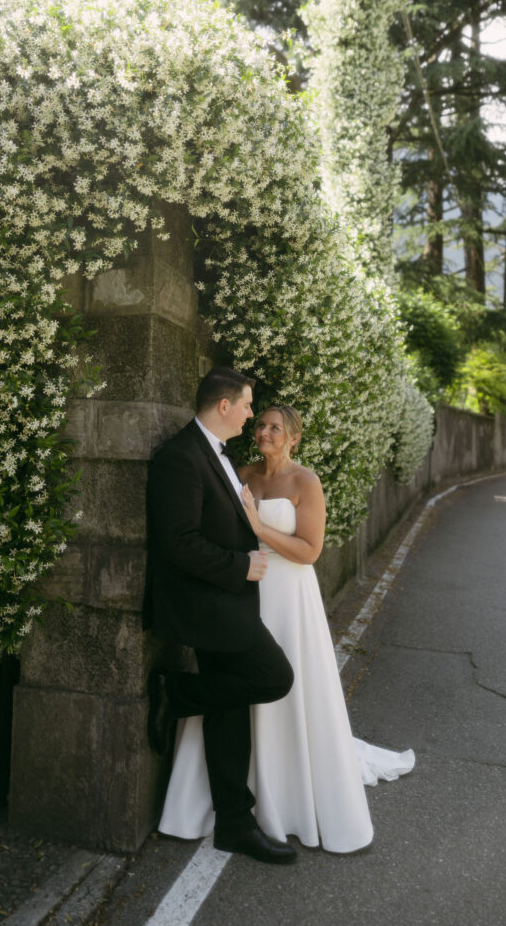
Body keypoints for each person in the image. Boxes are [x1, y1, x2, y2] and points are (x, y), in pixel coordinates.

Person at [158, 404, 415, 853]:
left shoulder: (305, 482)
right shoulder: (240, 473)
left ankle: (286, 792)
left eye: (275, 427)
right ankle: (232, 797)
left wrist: (259, 527)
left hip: (290, 593)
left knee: (283, 682)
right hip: (243, 590)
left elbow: (310, 550)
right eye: (260, 424)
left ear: (293, 437)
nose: (264, 431)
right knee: (242, 684)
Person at [143, 368, 297, 864]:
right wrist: (241, 565)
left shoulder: (219, 454)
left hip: (228, 600)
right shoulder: (180, 457)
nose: (253, 414)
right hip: (208, 605)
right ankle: (175, 692)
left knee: (229, 712)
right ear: (224, 406)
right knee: (274, 677)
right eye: (249, 405)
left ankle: (234, 823)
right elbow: (177, 542)